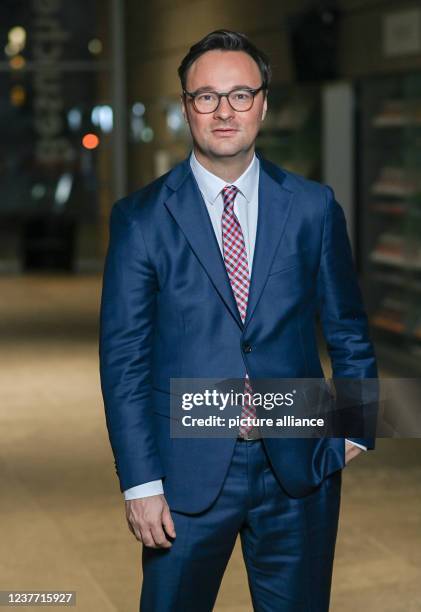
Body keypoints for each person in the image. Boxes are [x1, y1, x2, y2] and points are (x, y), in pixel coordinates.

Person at [99, 29, 377, 612]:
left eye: (241, 94)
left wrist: (356, 424)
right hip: (183, 478)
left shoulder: (312, 206)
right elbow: (123, 360)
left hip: (299, 472)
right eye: (207, 97)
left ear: (264, 104)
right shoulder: (141, 218)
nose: (224, 111)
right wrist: (141, 484)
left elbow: (348, 326)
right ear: (185, 109)